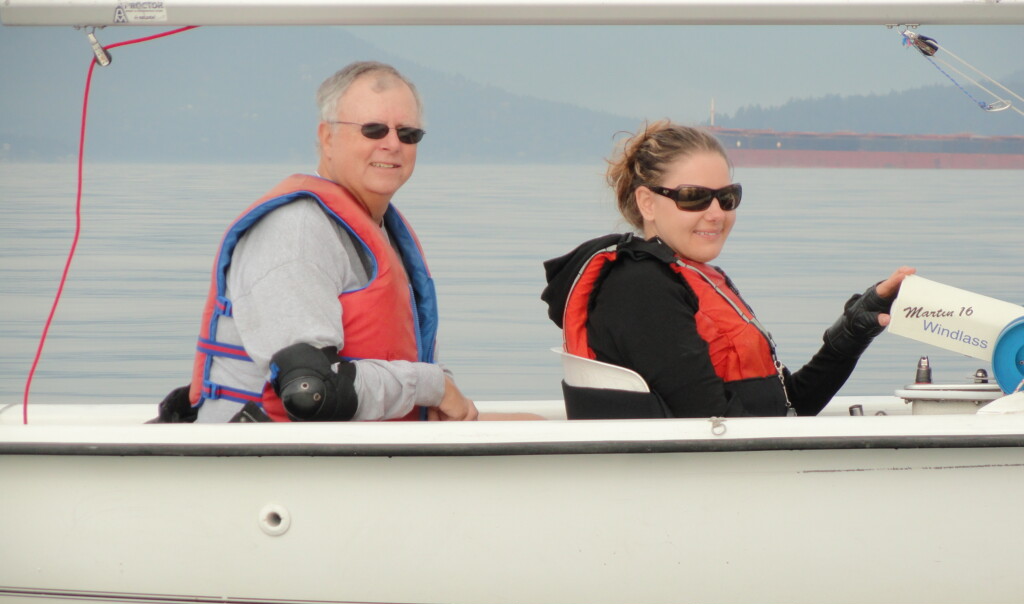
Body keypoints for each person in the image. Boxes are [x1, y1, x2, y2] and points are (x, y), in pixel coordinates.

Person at [541, 121, 914, 419]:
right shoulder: (639, 288)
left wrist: (852, 331)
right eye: (693, 198)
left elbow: (789, 407)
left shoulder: (691, 278)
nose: (716, 213)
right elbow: (713, 424)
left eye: (727, 197)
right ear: (647, 203)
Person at [183, 61, 478, 423]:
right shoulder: (297, 231)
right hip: (270, 465)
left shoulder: (377, 228)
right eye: (373, 130)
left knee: (534, 423)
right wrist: (433, 387)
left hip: (363, 459)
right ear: (327, 138)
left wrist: (438, 389)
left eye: (408, 134)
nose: (392, 145)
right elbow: (310, 392)